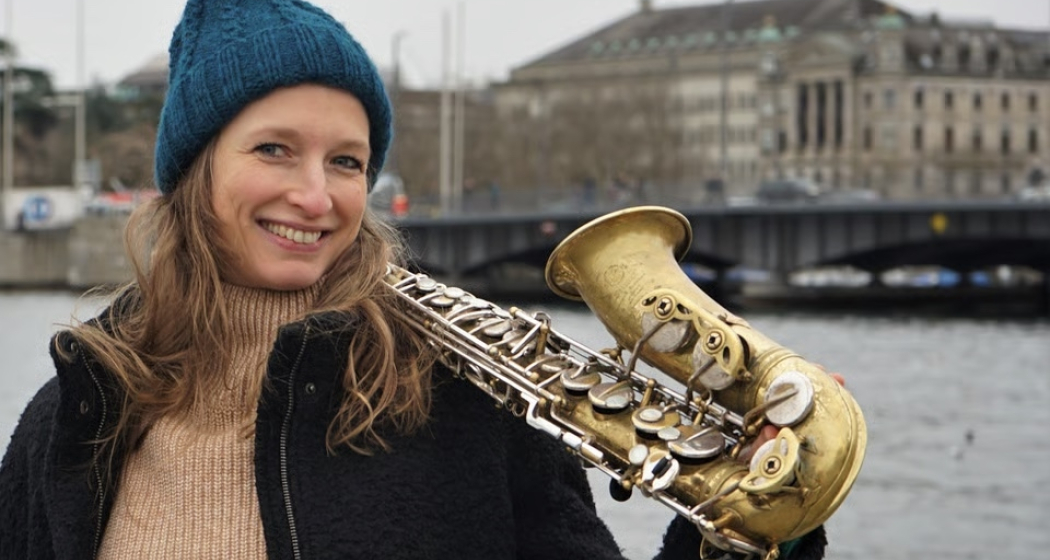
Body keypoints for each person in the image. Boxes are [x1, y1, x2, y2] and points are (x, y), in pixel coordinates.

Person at [0, 1, 832, 558]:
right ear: (192, 172)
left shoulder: (470, 398)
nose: (318, 196)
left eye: (348, 161)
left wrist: (756, 525)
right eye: (274, 149)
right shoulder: (80, 405)